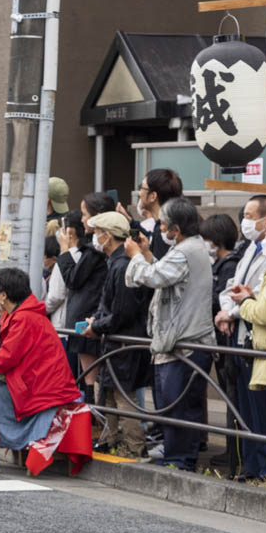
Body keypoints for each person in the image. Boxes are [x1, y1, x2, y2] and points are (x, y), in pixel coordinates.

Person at [0, 268, 82, 473]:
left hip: (40, 391)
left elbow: (6, 358)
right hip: (36, 385)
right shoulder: (26, 315)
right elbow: (6, 356)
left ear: (3, 295)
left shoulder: (23, 318)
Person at [124, 196, 215, 471]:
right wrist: (148, 255)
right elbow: (164, 272)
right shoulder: (190, 248)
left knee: (178, 406)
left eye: (164, 224)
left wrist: (137, 256)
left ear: (176, 228)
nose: (161, 228)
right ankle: (176, 457)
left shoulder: (186, 251)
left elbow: (154, 278)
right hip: (186, 341)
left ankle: (180, 460)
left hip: (185, 343)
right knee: (175, 405)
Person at [81, 212, 152, 458]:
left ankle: (134, 447)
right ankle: (110, 440)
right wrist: (98, 322)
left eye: (97, 232)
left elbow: (123, 312)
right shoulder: (118, 262)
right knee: (109, 394)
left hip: (124, 341)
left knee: (123, 397)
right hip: (117, 339)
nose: (95, 237)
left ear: (107, 235)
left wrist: (97, 326)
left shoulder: (122, 265)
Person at [216, 195, 266, 480]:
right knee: (246, 411)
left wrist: (235, 311)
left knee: (260, 412)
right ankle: (251, 466)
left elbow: (262, 299)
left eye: (252, 216)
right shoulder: (248, 248)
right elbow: (232, 286)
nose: (246, 221)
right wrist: (226, 310)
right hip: (240, 335)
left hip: (256, 337)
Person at [230, 217, 266, 480]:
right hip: (264, 352)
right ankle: (262, 470)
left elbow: (265, 312)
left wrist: (246, 302)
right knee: (262, 417)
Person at [60, 194, 112, 399]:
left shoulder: (94, 252)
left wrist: (65, 250)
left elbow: (73, 279)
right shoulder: (94, 248)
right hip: (89, 315)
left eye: (84, 214)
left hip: (88, 316)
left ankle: (94, 420)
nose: (82, 220)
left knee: (91, 375)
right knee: (89, 374)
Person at [134, 168, 184, 260]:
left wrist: (135, 255)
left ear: (153, 196)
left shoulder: (164, 231)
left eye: (142, 188)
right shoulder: (174, 222)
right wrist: (130, 223)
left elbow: (157, 272)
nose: (139, 193)